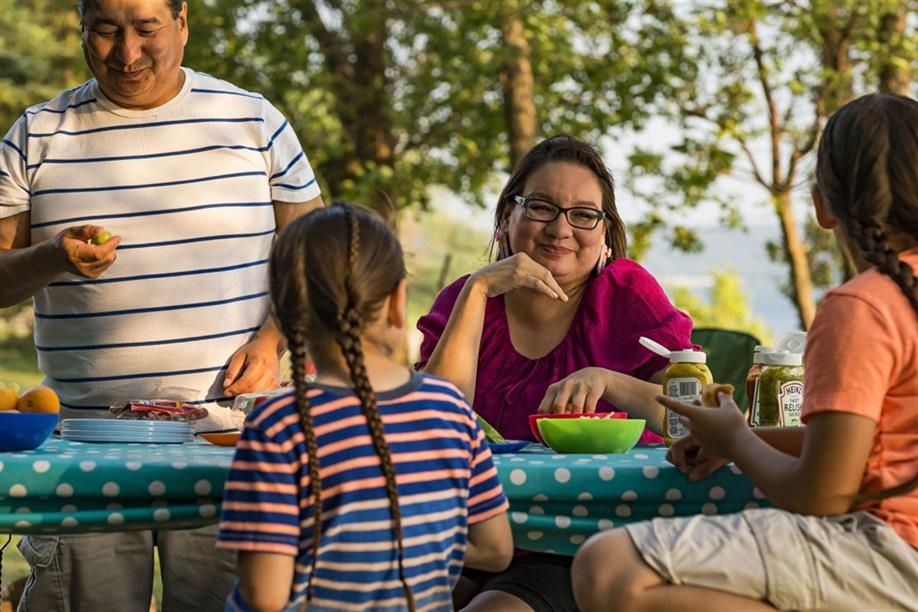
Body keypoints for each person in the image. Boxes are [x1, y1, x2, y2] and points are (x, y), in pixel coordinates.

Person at [0, 1, 323, 610]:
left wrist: (272, 339)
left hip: (228, 440)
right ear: (81, 27)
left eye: (147, 30)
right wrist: (54, 258)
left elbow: (316, 256)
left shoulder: (254, 121)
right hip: (83, 445)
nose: (126, 54)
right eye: (105, 31)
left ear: (182, 24)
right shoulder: (37, 132)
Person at [571, 93, 918, 611]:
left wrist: (735, 435)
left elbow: (822, 494)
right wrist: (743, 440)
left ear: (822, 202)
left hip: (887, 550)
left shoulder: (863, 306)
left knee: (607, 566)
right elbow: (863, 445)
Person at [417, 135, 693, 611]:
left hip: (582, 543)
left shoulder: (626, 295)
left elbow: (695, 415)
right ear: (508, 216)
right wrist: (481, 289)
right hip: (468, 535)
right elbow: (429, 423)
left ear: (604, 232)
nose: (561, 229)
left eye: (584, 214)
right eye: (542, 207)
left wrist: (610, 380)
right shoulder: (465, 299)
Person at [217, 202, 513, 611]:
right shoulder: (451, 410)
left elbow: (266, 596)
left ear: (285, 315)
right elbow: (496, 550)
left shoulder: (278, 424)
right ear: (396, 302)